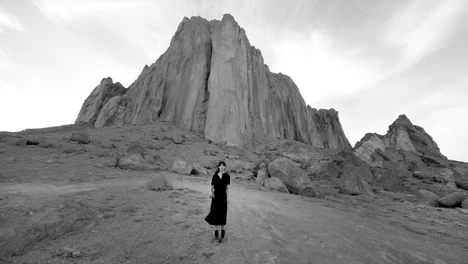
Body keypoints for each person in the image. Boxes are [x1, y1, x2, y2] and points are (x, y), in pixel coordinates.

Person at [204, 161, 230, 243]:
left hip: (223, 198)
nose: (222, 167)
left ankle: (222, 236)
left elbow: (228, 188)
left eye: (223, 165)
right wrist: (210, 193)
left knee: (222, 215)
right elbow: (212, 186)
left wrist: (228, 198)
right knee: (215, 215)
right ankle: (216, 237)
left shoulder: (227, 176)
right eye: (220, 165)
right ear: (218, 167)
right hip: (215, 198)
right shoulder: (215, 176)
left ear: (225, 167)